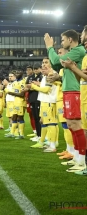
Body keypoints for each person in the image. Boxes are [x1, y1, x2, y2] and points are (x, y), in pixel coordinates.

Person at [45, 29, 86, 173]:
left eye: (62, 40)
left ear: (70, 39)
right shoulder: (74, 52)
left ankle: (82, 160)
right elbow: (57, 65)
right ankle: (76, 156)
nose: (61, 43)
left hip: (75, 91)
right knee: (70, 124)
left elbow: (56, 61)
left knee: (76, 124)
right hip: (69, 90)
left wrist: (49, 46)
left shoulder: (78, 50)